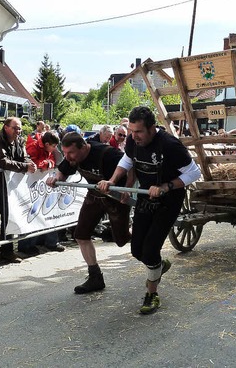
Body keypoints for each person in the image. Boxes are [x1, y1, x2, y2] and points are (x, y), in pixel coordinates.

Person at [99, 106, 201, 314]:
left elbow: (194, 173)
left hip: (168, 202)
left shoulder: (170, 145)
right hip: (146, 198)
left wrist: (166, 186)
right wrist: (111, 181)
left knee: (150, 249)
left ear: (152, 128)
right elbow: (127, 160)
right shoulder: (132, 141)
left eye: (139, 132)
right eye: (131, 131)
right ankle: (158, 265)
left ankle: (152, 294)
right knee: (137, 250)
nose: (134, 136)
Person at [47, 132, 133, 294]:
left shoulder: (107, 153)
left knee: (121, 239)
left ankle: (150, 255)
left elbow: (130, 166)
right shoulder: (73, 157)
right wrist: (55, 178)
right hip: (94, 196)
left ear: (83, 147)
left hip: (116, 198)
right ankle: (95, 277)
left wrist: (127, 188)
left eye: (70, 152)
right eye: (64, 152)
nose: (67, 156)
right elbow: (63, 171)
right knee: (81, 235)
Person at [0, 117, 36, 263]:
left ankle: (7, 251)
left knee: (9, 219)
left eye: (19, 128)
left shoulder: (19, 140)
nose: (18, 131)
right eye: (15, 128)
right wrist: (24, 167)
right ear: (6, 127)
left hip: (11, 188)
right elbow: (1, 161)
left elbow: (24, 156)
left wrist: (29, 163)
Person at [19, 131, 65, 256]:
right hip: (30, 186)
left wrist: (49, 163)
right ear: (46, 144)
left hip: (42, 185)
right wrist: (47, 163)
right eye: (54, 146)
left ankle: (46, 242)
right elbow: (32, 163)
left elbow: (52, 160)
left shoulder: (46, 148)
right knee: (31, 213)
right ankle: (26, 245)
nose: (55, 149)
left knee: (47, 211)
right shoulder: (33, 146)